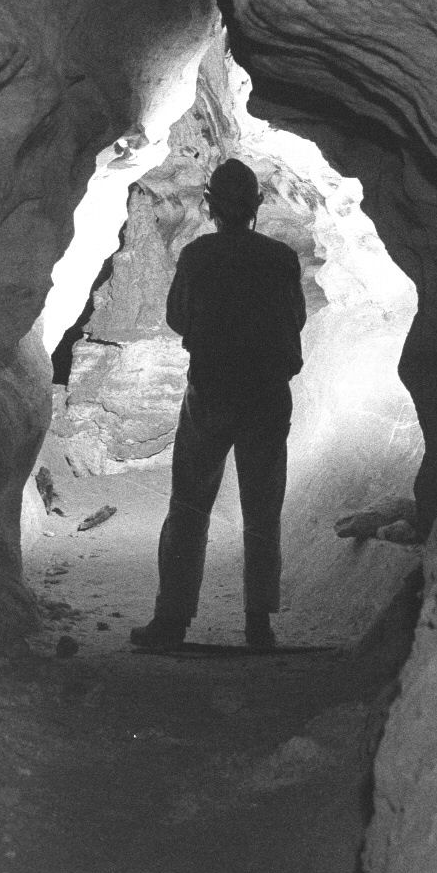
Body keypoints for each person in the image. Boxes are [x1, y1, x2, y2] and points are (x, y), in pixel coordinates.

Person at [130, 157, 306, 651]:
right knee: (262, 508)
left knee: (189, 505)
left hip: (212, 391)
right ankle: (259, 623)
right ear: (257, 204)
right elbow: (295, 318)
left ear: (210, 206)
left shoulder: (198, 256)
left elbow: (178, 318)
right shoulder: (281, 258)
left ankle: (172, 619)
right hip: (267, 394)